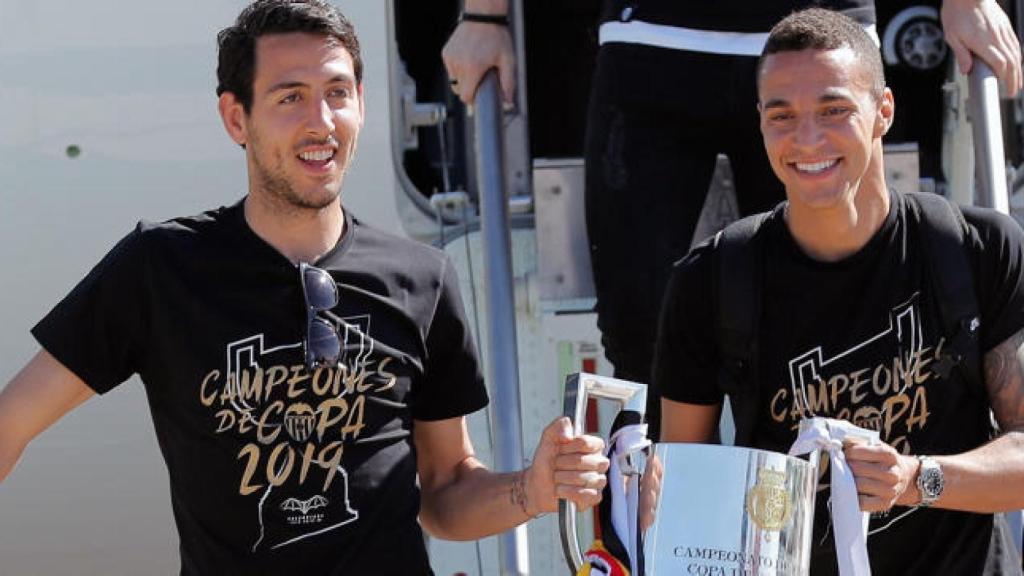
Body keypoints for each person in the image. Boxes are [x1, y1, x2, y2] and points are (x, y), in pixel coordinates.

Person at [0, 2, 609, 574]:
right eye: (290, 97)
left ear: (361, 105)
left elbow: (446, 491)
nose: (321, 123)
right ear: (236, 117)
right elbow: (11, 422)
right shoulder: (160, 268)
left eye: (337, 93)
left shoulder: (422, 278)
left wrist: (530, 489)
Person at [442, 0, 1023, 437]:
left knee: (834, 320)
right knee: (637, 330)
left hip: (820, 39)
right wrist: (486, 16)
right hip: (650, 38)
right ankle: (654, 546)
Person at [656, 8, 1024, 574]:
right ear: (760, 122)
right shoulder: (710, 280)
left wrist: (915, 478)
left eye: (833, 110)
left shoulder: (977, 249)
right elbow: (679, 487)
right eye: (782, 116)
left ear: (884, 112)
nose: (807, 139)